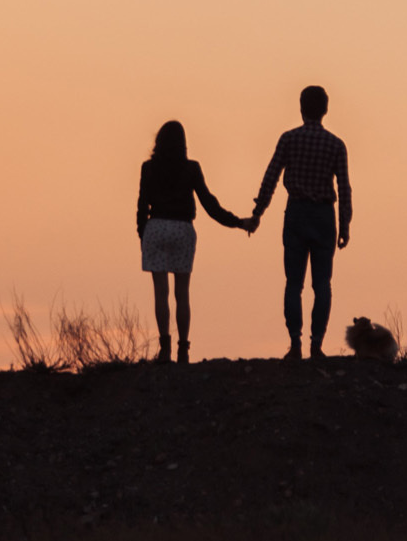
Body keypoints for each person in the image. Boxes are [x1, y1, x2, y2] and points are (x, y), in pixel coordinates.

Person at [244, 84, 352, 360]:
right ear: (325, 110)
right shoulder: (336, 145)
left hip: (297, 213)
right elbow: (344, 188)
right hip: (324, 216)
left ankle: (295, 343)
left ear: (301, 108)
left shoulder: (289, 139)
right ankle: (316, 344)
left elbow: (270, 177)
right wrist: (345, 224)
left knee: (294, 283)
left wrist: (258, 212)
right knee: (322, 284)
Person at [134, 119, 247, 363]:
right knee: (182, 293)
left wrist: (143, 234)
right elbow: (210, 204)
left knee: (160, 294)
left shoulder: (148, 168)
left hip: (156, 228)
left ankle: (165, 348)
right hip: (183, 229)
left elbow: (142, 204)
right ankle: (183, 348)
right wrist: (238, 222)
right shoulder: (191, 169)